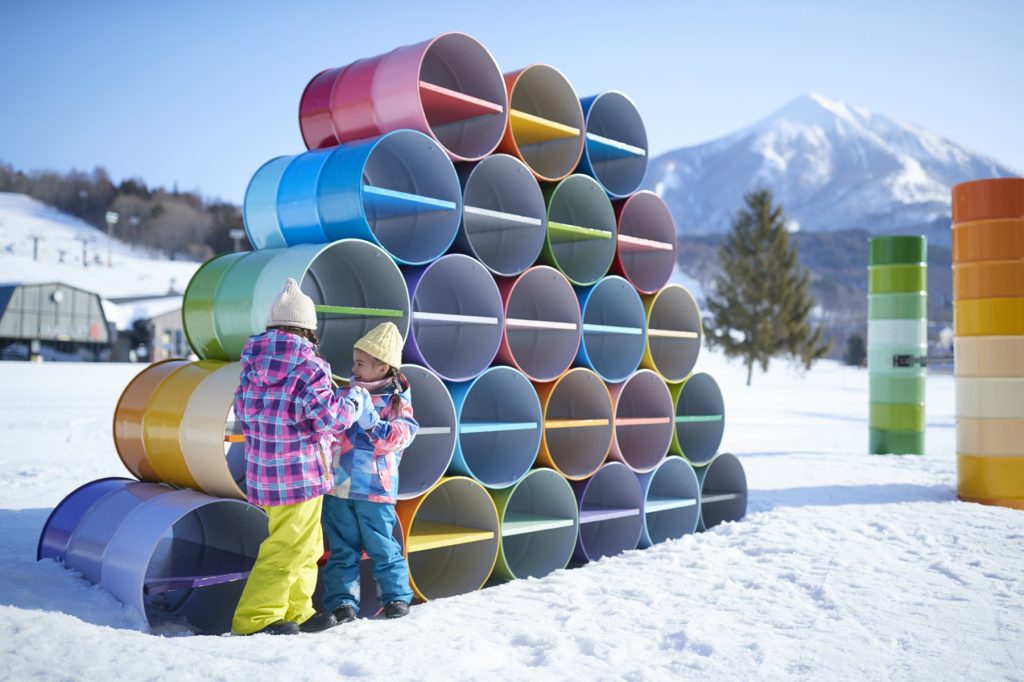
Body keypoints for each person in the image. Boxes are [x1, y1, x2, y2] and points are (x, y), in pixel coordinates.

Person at [231, 278, 367, 636]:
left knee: (306, 543)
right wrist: (353, 402)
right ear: (309, 329)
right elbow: (329, 419)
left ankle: (298, 609)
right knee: (288, 546)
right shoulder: (309, 367)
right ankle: (256, 617)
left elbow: (242, 412)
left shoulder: (252, 365)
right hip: (301, 474)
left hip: (265, 473)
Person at [322, 322, 419, 621]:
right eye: (355, 361)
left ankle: (396, 598)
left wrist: (373, 423)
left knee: (383, 546)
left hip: (375, 490)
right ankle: (342, 603)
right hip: (339, 487)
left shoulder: (397, 402)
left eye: (360, 363)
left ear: (382, 369)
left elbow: (402, 436)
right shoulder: (346, 394)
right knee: (341, 549)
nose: (354, 367)